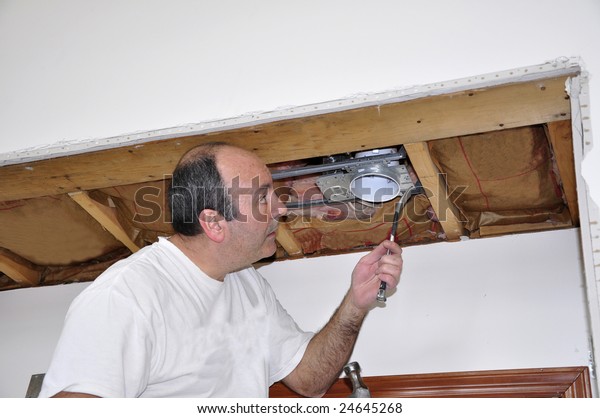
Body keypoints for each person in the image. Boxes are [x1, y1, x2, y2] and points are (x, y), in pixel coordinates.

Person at [40, 142, 403, 398]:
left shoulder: (246, 283)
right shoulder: (127, 296)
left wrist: (356, 304)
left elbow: (310, 381)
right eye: (263, 198)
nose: (281, 209)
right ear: (214, 223)